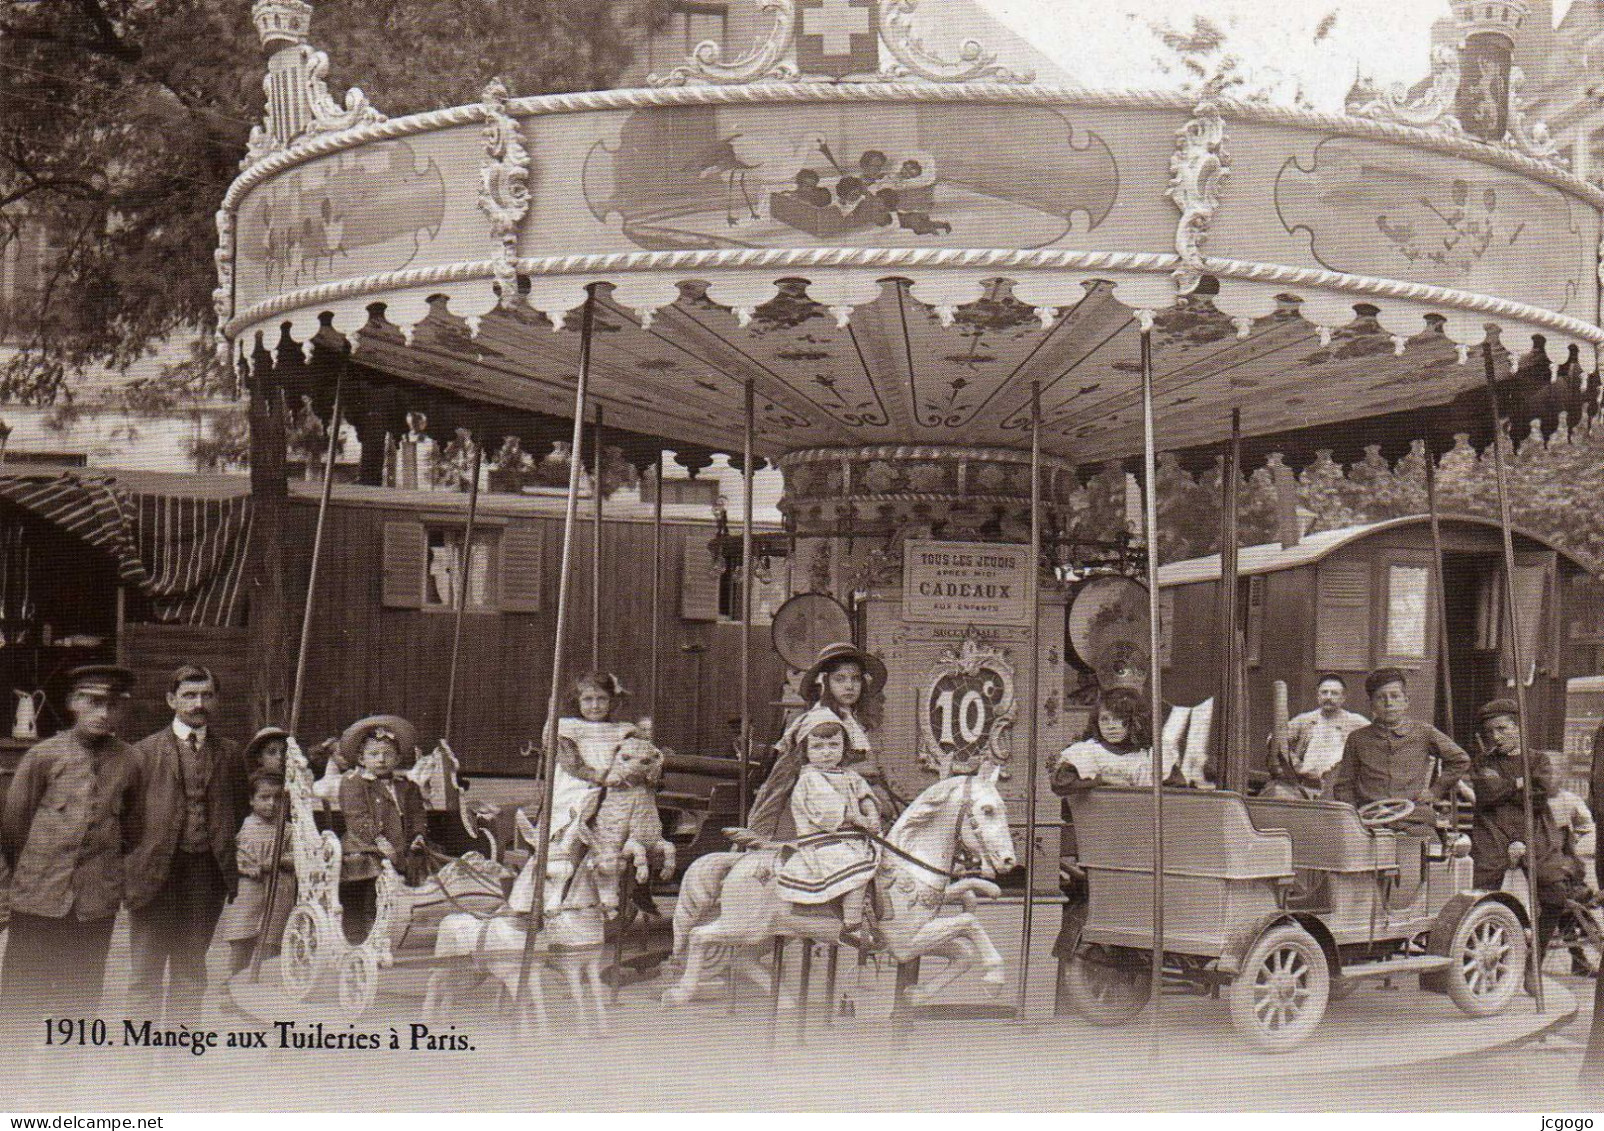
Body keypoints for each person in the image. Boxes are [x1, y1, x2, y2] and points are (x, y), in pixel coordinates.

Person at [0, 666, 140, 1041]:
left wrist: (108, 874)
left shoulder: (130, 761)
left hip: (95, 902)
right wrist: (31, 876)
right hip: (39, 896)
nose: (103, 714)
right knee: (21, 1000)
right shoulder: (42, 756)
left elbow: (134, 827)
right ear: (74, 703)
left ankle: (63, 1087)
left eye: (112, 705)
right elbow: (14, 827)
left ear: (123, 711)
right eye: (94, 703)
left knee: (78, 1002)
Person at [126, 663, 247, 1026]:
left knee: (191, 970)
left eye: (206, 695)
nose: (199, 704)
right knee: (145, 972)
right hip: (154, 875)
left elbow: (238, 809)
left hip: (205, 876)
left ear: (217, 700)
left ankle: (179, 1063)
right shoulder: (143, 753)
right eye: (189, 696)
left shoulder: (229, 753)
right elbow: (125, 817)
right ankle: (140, 1063)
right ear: (171, 700)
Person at [1467, 699, 1590, 972]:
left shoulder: (1538, 760)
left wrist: (1507, 791)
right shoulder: (1483, 762)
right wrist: (1518, 783)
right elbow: (1486, 795)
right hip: (1492, 828)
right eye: (1490, 732)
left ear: (1518, 728)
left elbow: (1536, 797)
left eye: (1502, 729)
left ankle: (1533, 965)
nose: (1495, 737)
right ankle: (1478, 957)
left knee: (1554, 892)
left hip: (1533, 828)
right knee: (1483, 893)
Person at [748, 643, 898, 841]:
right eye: (840, 679)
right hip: (818, 812)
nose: (849, 686)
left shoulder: (853, 719)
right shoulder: (817, 721)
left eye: (855, 679)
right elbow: (784, 776)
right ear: (825, 683)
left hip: (855, 804)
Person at [775, 711, 881, 949]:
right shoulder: (810, 779)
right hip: (824, 840)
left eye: (833, 745)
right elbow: (828, 812)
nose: (826, 752)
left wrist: (872, 814)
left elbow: (865, 795)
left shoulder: (849, 775)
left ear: (844, 749)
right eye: (818, 746)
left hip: (852, 838)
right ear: (806, 751)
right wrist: (860, 820)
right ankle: (851, 925)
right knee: (857, 868)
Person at [1334, 667, 1469, 832]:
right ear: (1371, 705)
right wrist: (1354, 818)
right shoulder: (1358, 739)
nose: (1389, 703)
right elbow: (1343, 786)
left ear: (1406, 701)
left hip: (1414, 816)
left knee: (1428, 851)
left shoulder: (1424, 732)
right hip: (1371, 820)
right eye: (1380, 698)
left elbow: (1460, 759)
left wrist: (1435, 791)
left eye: (1395, 696)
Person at [337, 715, 429, 942]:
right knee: (374, 877)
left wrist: (418, 835)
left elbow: (417, 814)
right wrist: (379, 841)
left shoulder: (406, 785)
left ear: (397, 758)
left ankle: (410, 923)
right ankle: (368, 928)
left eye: (388, 754)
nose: (381, 760)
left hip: (401, 845)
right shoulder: (354, 782)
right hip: (366, 844)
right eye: (374, 754)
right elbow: (357, 818)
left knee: (425, 865)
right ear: (361, 757)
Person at [218, 771, 295, 974]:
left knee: (270, 947)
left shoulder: (288, 830)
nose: (271, 803)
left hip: (278, 892)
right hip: (248, 892)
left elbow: (300, 857)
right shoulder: (243, 826)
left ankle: (262, 994)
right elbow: (229, 855)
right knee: (242, 941)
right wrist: (243, 866)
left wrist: (278, 861)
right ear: (251, 800)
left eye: (278, 798)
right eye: (264, 797)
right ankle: (230, 992)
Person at [1271, 674, 1369, 798]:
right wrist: (1296, 765)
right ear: (1318, 696)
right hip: (1306, 788)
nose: (1328, 697)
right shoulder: (1305, 720)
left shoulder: (1355, 722)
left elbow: (1373, 741)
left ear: (1343, 697)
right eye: (1324, 692)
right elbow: (1274, 738)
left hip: (1340, 790)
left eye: (1334, 693)